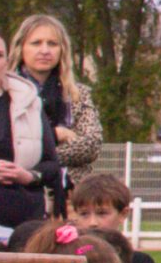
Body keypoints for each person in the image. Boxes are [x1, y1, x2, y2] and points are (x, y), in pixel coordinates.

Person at [0, 25, 60, 230]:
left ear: (7, 60)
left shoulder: (29, 102)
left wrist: (27, 175)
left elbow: (52, 165)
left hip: (25, 222)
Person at [10, 14, 102, 200]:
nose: (45, 50)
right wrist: (54, 135)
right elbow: (3, 147)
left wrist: (34, 158)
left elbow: (91, 145)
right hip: (16, 194)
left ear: (62, 50)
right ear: (21, 47)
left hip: (71, 196)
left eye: (52, 44)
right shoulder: (6, 93)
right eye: (36, 43)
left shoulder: (78, 95)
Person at [65, 174, 155, 263]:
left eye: (102, 213)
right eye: (84, 214)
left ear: (123, 214)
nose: (92, 223)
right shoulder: (68, 259)